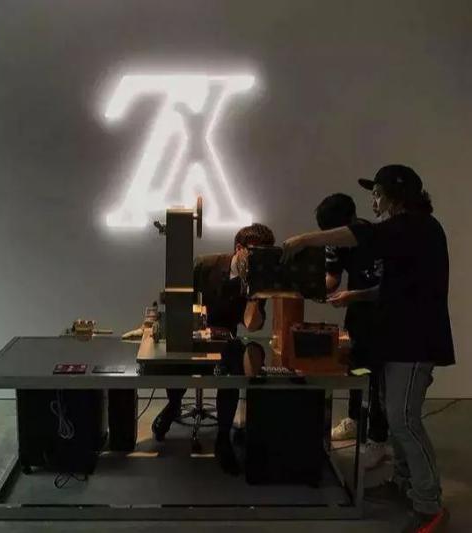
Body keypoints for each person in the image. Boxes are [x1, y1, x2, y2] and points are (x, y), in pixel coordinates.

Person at [284, 165, 454, 532]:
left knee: (404, 421)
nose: (373, 201)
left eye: (377, 194)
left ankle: (430, 505)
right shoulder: (405, 232)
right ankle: (404, 482)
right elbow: (391, 288)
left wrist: (304, 241)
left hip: (415, 342)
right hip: (396, 339)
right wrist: (353, 296)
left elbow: (364, 234)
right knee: (395, 419)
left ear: (396, 196)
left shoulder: (416, 227)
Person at [151, 223, 275, 475]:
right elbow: (178, 301)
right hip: (192, 330)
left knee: (233, 371)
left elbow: (252, 325)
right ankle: (173, 404)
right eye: (255, 253)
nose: (260, 260)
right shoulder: (205, 265)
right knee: (174, 358)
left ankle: (223, 437)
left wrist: (254, 294)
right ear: (239, 248)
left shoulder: (259, 279)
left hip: (226, 338)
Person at [315, 193, 390, 469]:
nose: (332, 237)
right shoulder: (334, 243)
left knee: (376, 377)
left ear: (350, 221)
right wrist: (313, 288)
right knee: (356, 368)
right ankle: (355, 419)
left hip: (383, 317)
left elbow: (386, 288)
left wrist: (353, 296)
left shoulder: (377, 240)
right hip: (357, 315)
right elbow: (333, 277)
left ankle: (377, 438)